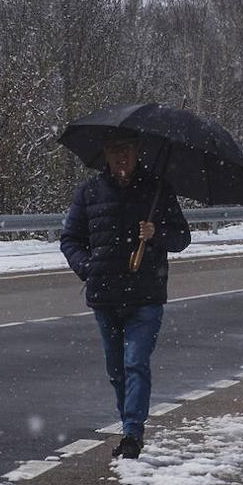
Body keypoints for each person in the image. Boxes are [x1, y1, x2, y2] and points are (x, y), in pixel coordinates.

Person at [61, 129, 191, 459]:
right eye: (115, 150)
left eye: (128, 150)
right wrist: (88, 267)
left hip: (146, 295)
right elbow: (70, 240)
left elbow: (181, 238)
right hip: (105, 296)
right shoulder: (89, 193)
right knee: (116, 370)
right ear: (105, 154)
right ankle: (128, 425)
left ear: (138, 152)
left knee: (136, 363)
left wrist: (156, 233)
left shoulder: (156, 190)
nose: (122, 157)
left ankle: (132, 433)